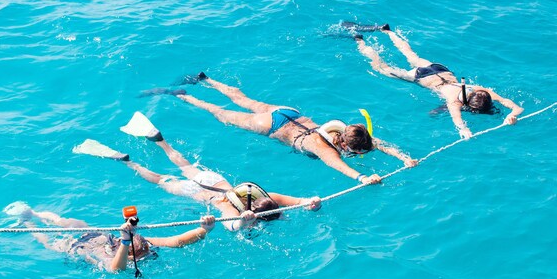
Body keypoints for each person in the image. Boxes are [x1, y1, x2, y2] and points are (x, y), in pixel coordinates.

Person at [72, 112, 322, 235]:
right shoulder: (232, 210)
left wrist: (311, 203)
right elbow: (233, 226)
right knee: (161, 179)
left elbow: (300, 201)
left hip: (213, 180)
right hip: (200, 193)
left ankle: (160, 141)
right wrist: (243, 222)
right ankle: (128, 162)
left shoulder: (268, 197)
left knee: (185, 165)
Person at [140, 74, 417, 184]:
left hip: (290, 112)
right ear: (345, 145)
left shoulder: (347, 130)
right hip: (274, 126)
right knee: (221, 114)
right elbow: (339, 166)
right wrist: (362, 177)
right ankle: (182, 95)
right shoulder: (323, 148)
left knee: (245, 99)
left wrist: (404, 158)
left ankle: (205, 79)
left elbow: (377, 143)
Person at [348, 23, 523, 139]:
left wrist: (512, 114)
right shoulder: (455, 102)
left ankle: (387, 31)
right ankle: (359, 41)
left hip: (440, 69)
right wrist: (464, 131)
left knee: (410, 54)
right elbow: (457, 120)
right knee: (381, 68)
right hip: (423, 78)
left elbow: (516, 108)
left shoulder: (478, 89)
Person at [3, 202, 215, 273]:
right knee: (48, 243)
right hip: (79, 244)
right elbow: (117, 268)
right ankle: (30, 220)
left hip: (95, 236)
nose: (149, 250)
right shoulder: (119, 257)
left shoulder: (142, 246)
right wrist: (125, 240)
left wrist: (204, 229)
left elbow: (177, 241)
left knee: (62, 222)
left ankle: (31, 216)